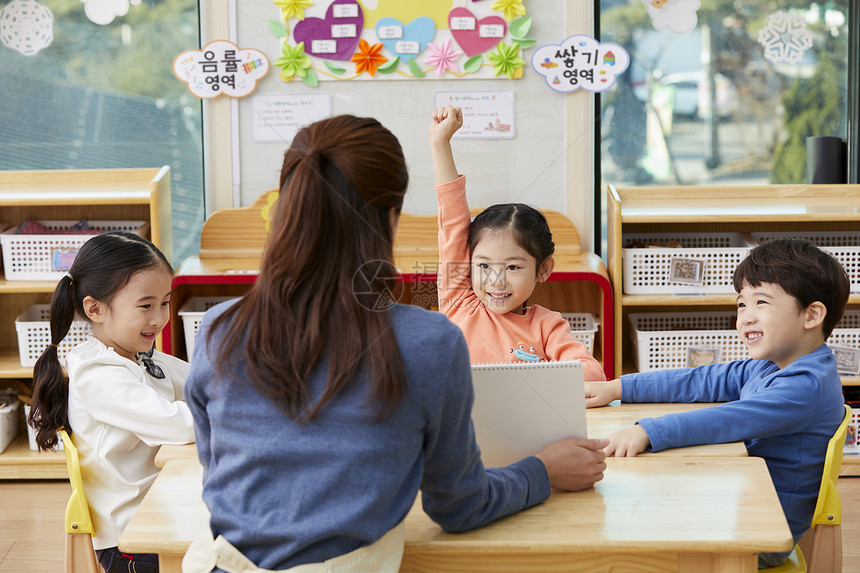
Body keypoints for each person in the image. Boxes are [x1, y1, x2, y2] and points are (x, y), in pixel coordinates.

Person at [181, 114, 609, 573]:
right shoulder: (431, 339)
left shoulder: (216, 328)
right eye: (483, 263)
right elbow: (461, 507)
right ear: (391, 217)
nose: (496, 278)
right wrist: (542, 470)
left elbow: (223, 482)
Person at [584, 238, 848, 569]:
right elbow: (704, 379)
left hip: (761, 533)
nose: (746, 318)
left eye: (761, 302)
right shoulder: (778, 361)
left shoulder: (805, 386)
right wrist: (619, 386)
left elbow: (728, 420)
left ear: (811, 315)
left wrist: (648, 431)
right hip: (748, 502)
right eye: (741, 304)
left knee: (634, 523)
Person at [28, 230, 195, 573]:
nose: (159, 317)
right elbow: (180, 425)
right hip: (130, 538)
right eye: (145, 305)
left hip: (157, 505)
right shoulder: (100, 376)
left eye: (164, 302)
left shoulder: (136, 354)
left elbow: (198, 378)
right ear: (96, 309)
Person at [429, 105, 605, 379]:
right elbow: (451, 218)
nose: (496, 281)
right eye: (484, 266)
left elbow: (593, 374)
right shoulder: (458, 301)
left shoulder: (547, 327)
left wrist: (536, 375)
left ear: (543, 269)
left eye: (512, 267)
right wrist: (440, 142)